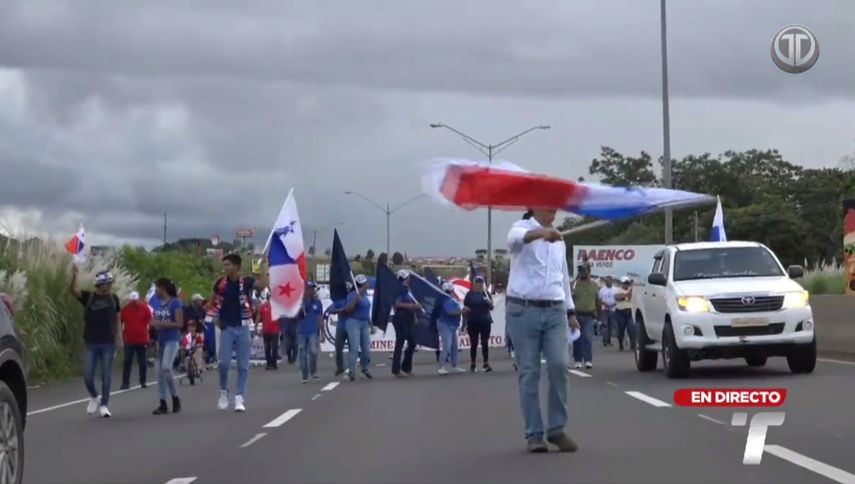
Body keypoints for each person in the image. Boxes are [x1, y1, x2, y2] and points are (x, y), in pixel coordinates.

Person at [505, 208, 580, 453]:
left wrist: (570, 311)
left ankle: (557, 429)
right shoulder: (521, 228)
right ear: (534, 205)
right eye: (548, 205)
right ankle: (534, 434)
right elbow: (514, 241)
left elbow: (563, 277)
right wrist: (539, 234)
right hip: (523, 310)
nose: (554, 210)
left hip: (555, 310)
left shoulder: (559, 240)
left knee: (559, 365)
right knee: (529, 372)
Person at [205, 254, 266, 413]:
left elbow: (262, 285)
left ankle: (239, 397)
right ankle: (223, 391)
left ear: (236, 266)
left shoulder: (245, 281)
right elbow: (211, 303)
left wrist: (261, 268)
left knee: (243, 365)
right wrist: (215, 318)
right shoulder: (220, 283)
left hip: (243, 327)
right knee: (224, 364)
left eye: (228, 265)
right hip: (227, 328)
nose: (225, 268)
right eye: (224, 265)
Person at [70, 265, 121, 418]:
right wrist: (74, 276)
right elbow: (73, 291)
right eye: (107, 283)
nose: (110, 285)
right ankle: (94, 396)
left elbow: (118, 318)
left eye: (111, 283)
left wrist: (119, 336)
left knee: (106, 375)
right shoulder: (89, 297)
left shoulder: (114, 298)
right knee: (88, 375)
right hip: (91, 342)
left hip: (108, 342)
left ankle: (104, 405)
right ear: (100, 284)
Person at [151, 278, 183, 415]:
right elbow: (152, 318)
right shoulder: (156, 302)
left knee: (166, 367)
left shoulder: (175, 302)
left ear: (162, 288)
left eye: (157, 288)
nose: (155, 291)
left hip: (172, 339)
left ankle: (175, 397)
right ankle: (162, 402)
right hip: (160, 340)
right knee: (159, 372)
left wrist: (160, 324)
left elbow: (179, 323)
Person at [342, 274, 372, 381]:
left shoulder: (365, 295)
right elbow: (347, 309)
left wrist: (370, 323)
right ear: (362, 284)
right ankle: (351, 371)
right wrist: (355, 300)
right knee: (354, 348)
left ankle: (365, 368)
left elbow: (366, 311)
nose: (368, 284)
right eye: (366, 282)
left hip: (364, 323)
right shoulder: (352, 295)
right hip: (353, 322)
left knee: (366, 348)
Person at [391, 270, 421, 377]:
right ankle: (396, 370)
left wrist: (415, 316)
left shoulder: (408, 290)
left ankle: (406, 367)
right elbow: (397, 304)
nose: (409, 280)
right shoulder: (398, 290)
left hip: (409, 318)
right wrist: (413, 306)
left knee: (412, 342)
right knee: (400, 344)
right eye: (407, 278)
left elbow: (412, 302)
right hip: (400, 318)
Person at [120, 291, 151, 390]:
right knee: (127, 361)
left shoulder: (145, 308)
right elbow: (120, 322)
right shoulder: (125, 309)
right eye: (132, 301)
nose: (134, 303)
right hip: (129, 339)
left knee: (142, 361)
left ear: (139, 299)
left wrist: (149, 336)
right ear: (129, 301)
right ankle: (125, 383)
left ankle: (143, 381)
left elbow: (150, 321)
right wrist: (120, 337)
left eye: (135, 301)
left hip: (142, 339)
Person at [463, 275, 494, 372]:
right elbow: (466, 307)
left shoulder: (486, 293)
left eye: (480, 283)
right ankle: (473, 363)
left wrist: (489, 302)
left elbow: (492, 307)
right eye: (477, 283)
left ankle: (486, 363)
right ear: (474, 283)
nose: (479, 285)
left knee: (485, 342)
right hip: (473, 321)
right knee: (474, 343)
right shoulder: (470, 294)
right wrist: (464, 322)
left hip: (485, 321)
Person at [571, 267, 599, 369]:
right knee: (577, 338)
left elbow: (597, 300)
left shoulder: (594, 285)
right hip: (576, 315)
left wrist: (599, 314)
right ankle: (578, 360)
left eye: (584, 270)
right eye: (580, 271)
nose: (582, 272)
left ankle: (588, 360)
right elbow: (569, 297)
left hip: (589, 315)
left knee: (587, 337)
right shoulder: (574, 285)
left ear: (589, 272)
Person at [437, 282, 467, 375]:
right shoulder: (445, 299)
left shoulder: (450, 298)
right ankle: (441, 367)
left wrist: (461, 311)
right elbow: (449, 312)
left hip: (452, 324)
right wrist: (462, 312)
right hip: (446, 324)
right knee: (447, 346)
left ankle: (455, 365)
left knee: (454, 346)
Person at [297, 282, 323, 383]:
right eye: (310, 289)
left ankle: (313, 372)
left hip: (313, 331)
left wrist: (322, 331)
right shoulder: (300, 302)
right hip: (302, 331)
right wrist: (304, 306)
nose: (312, 291)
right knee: (302, 354)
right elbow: (297, 315)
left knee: (313, 352)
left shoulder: (318, 302)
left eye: (313, 289)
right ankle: (305, 375)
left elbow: (320, 317)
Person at [325, 282, 351, 377]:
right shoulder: (339, 300)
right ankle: (340, 367)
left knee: (352, 349)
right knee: (338, 348)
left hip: (352, 327)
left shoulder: (353, 299)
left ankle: (351, 367)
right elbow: (331, 310)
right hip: (341, 327)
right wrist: (342, 310)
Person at [256, 295, 280, 370]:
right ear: (268, 299)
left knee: (275, 347)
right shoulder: (263, 306)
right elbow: (259, 316)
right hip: (266, 330)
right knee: (267, 347)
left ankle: (274, 363)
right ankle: (268, 363)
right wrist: (256, 325)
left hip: (275, 330)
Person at [614, 276, 637, 352]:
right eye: (625, 283)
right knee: (621, 328)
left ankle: (633, 344)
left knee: (631, 328)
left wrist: (628, 294)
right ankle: (621, 343)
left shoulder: (632, 290)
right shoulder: (618, 290)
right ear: (622, 283)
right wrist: (627, 294)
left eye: (627, 283)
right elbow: (617, 297)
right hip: (620, 312)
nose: (626, 284)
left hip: (630, 311)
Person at [598, 276, 617, 347]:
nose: (607, 282)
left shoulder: (615, 289)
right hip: (604, 309)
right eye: (606, 281)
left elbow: (617, 299)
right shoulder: (602, 290)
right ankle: (604, 340)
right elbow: (599, 299)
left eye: (608, 280)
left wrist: (613, 304)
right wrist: (604, 304)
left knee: (610, 326)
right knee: (605, 325)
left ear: (611, 281)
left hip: (612, 309)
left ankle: (609, 340)